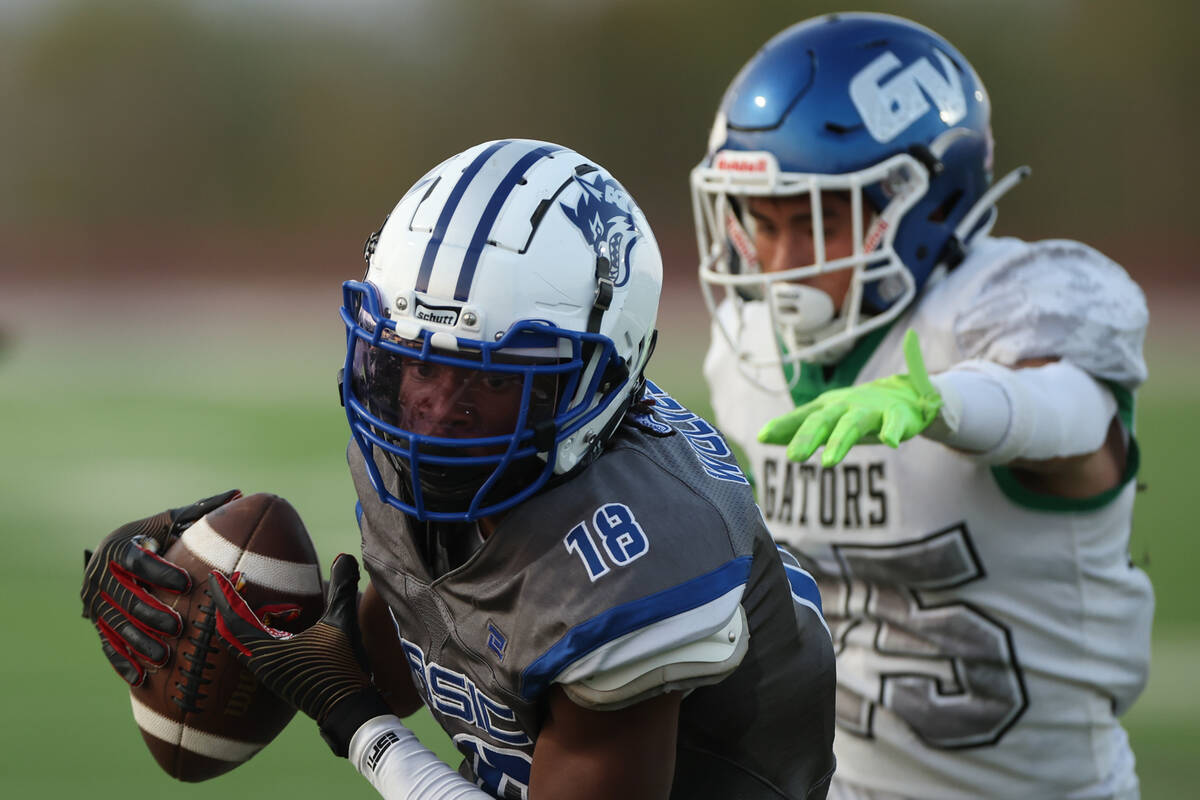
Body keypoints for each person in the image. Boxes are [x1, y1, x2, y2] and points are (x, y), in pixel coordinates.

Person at [82, 139, 836, 799]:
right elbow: (429, 636)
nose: (438, 413)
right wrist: (196, 601)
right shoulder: (431, 445)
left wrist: (365, 730)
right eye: (415, 366)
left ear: (595, 382)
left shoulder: (630, 561)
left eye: (494, 379)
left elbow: (379, 688)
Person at [691, 12, 1153, 800]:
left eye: (816, 220)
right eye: (761, 223)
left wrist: (946, 404)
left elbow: (1075, 419)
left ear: (920, 207)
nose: (780, 263)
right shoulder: (747, 353)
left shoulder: (1006, 307)